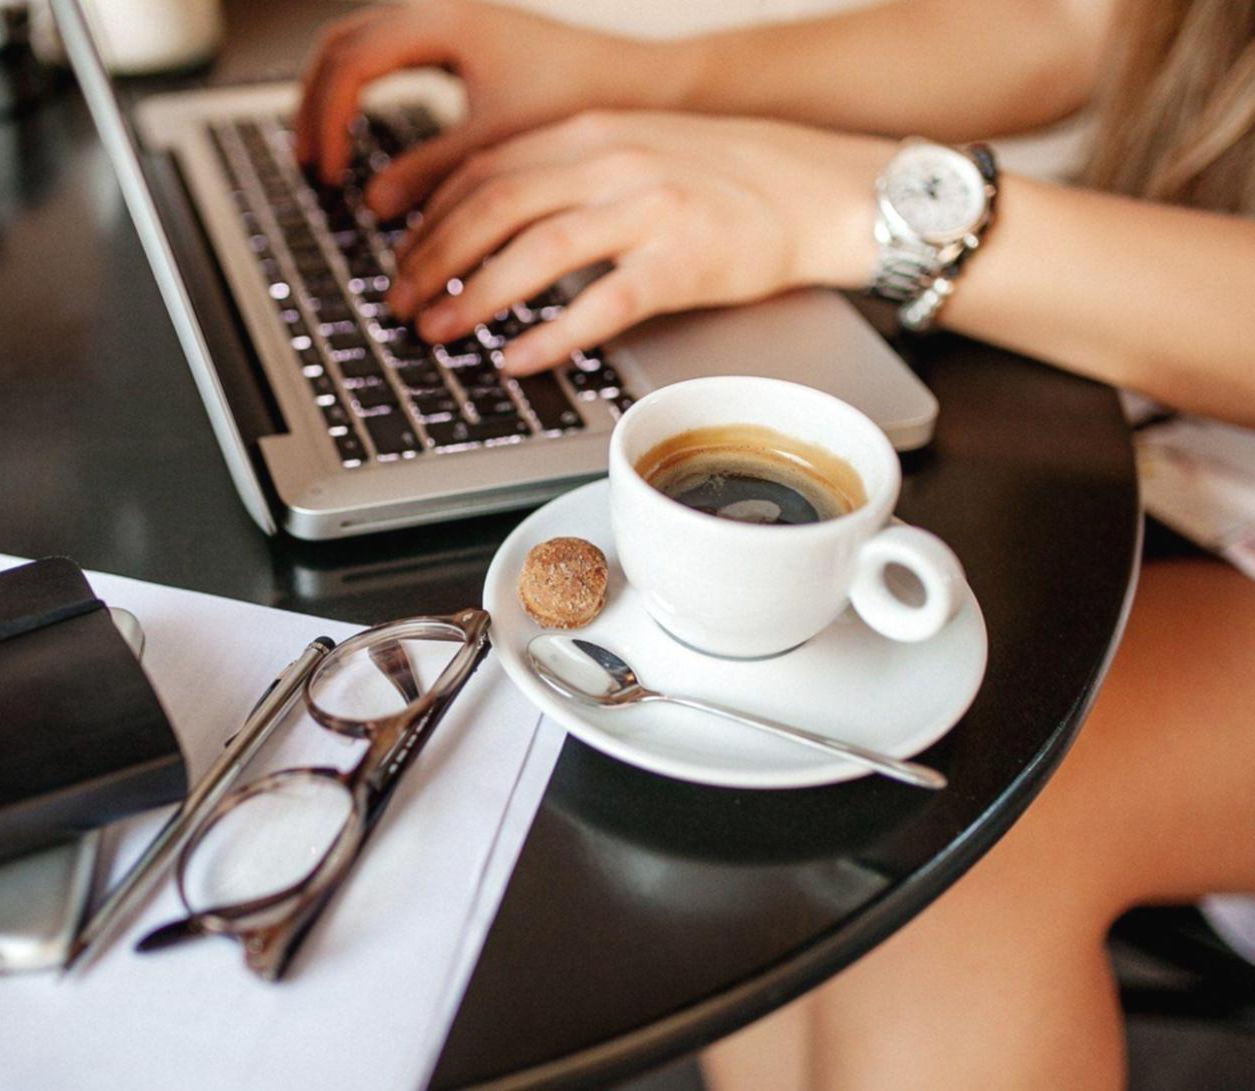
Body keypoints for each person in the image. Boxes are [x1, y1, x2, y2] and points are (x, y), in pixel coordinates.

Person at [296, 2, 1255, 1087]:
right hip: (1183, 434)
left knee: (964, 844)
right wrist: (646, 72)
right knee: (789, 822)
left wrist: (870, 210)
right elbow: (1086, 24)